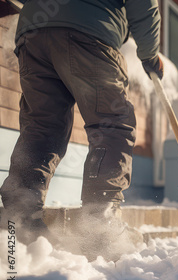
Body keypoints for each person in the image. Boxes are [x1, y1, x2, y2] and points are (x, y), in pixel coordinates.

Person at [0, 0, 164, 258]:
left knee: (42, 129)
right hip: (91, 32)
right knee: (111, 124)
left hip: (33, 34)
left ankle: (21, 217)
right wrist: (150, 53)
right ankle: (99, 223)